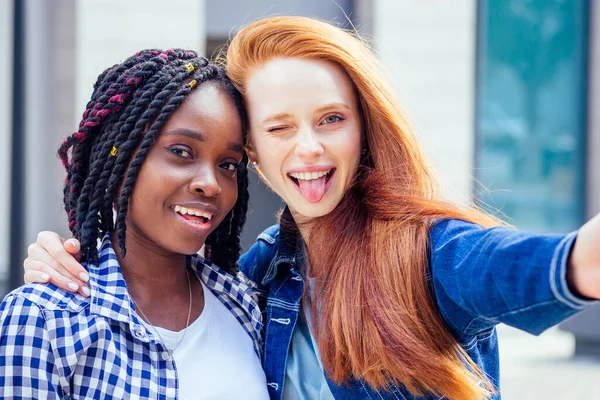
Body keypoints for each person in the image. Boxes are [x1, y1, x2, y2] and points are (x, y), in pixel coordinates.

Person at [23, 17, 600, 400]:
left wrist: (581, 260)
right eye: (280, 127)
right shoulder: (255, 280)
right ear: (254, 152)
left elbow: (531, 265)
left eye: (331, 119)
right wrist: (63, 263)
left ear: (363, 129)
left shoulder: (428, 251)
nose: (309, 148)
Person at [2, 49, 268, 399]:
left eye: (229, 164)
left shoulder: (246, 308)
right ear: (120, 156)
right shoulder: (45, 320)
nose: (211, 183)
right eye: (181, 152)